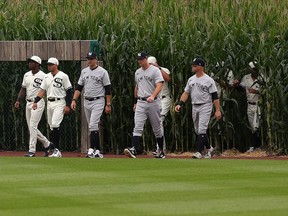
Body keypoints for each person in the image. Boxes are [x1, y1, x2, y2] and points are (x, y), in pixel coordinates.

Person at [175, 58, 222, 159]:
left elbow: (214, 96)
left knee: (202, 128)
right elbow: (186, 92)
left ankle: (198, 152)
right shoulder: (191, 79)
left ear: (200, 67)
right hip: (194, 105)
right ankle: (209, 148)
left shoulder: (209, 80)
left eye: (195, 65)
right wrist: (180, 103)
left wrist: (217, 110)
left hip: (205, 105)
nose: (193, 67)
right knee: (198, 130)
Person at [71, 52, 112, 158]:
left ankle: (91, 149)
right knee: (92, 126)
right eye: (88, 59)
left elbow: (108, 89)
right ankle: (98, 150)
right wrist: (74, 99)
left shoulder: (103, 72)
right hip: (87, 101)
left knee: (93, 124)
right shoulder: (84, 71)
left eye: (91, 58)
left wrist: (108, 104)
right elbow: (79, 87)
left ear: (96, 59)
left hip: (98, 100)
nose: (89, 61)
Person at [124, 52, 165, 159]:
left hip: (153, 101)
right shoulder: (138, 72)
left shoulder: (155, 70)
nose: (140, 61)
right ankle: (134, 149)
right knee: (137, 126)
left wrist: (153, 95)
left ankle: (160, 150)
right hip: (141, 101)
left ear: (146, 59)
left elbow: (160, 84)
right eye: (138, 59)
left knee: (157, 128)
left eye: (142, 59)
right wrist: (135, 102)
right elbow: (137, 87)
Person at [32, 57, 73, 157]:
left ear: (56, 65)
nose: (49, 66)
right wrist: (36, 101)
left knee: (55, 124)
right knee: (52, 126)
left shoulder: (63, 76)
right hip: (50, 103)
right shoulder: (46, 77)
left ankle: (57, 150)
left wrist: (68, 105)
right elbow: (42, 90)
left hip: (60, 102)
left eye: (51, 64)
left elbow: (69, 91)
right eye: (48, 64)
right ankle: (55, 149)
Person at [14, 56, 53, 157]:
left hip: (38, 102)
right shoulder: (26, 75)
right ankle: (47, 143)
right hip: (28, 102)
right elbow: (23, 89)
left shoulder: (44, 76)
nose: (30, 63)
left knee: (32, 126)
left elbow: (46, 90)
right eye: (30, 61)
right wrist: (18, 100)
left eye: (32, 62)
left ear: (38, 64)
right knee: (31, 127)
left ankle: (32, 150)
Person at [233, 61, 262, 152]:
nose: (253, 71)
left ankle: (254, 146)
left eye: (255, 70)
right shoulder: (246, 78)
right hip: (249, 104)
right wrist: (236, 85)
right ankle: (256, 146)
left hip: (259, 105)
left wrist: (257, 91)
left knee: (256, 125)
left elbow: (268, 91)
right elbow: (241, 89)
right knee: (252, 127)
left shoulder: (263, 78)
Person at [147, 56, 171, 153]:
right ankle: (160, 147)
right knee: (156, 123)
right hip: (154, 99)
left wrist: (158, 68)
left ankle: (160, 148)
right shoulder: (147, 72)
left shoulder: (163, 70)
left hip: (164, 98)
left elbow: (168, 78)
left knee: (160, 120)